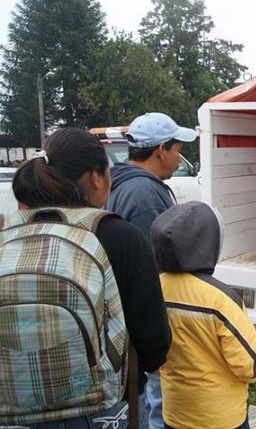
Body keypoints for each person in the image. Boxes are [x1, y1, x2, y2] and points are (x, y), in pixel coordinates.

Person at [3, 128, 171, 428]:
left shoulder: (5, 233)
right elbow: (153, 341)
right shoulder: (119, 236)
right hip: (103, 409)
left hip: (12, 408)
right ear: (96, 176)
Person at [104, 112, 196, 429]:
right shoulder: (143, 196)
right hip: (144, 317)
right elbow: (153, 268)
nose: (179, 156)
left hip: (122, 315)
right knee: (157, 399)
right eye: (177, 149)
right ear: (160, 150)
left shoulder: (123, 183)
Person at [150, 202, 256, 429]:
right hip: (221, 418)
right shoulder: (220, 299)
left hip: (175, 415)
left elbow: (149, 355)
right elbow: (248, 366)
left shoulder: (152, 291)